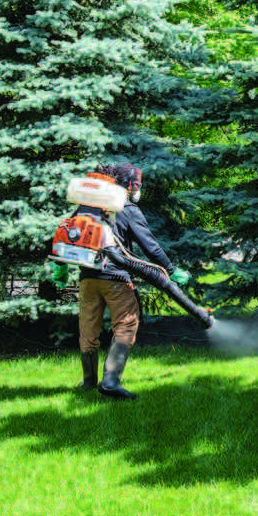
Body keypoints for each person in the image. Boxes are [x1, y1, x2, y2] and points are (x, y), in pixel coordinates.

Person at [74, 162, 193, 400]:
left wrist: (58, 267)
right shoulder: (126, 207)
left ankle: (88, 383)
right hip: (116, 278)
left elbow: (66, 235)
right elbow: (150, 247)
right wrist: (171, 270)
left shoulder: (87, 205)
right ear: (128, 184)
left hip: (87, 278)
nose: (139, 188)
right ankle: (110, 382)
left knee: (88, 330)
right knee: (126, 325)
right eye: (137, 183)